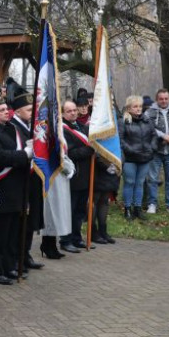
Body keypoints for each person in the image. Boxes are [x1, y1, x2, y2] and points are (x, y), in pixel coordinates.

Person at [0, 88, 33, 284]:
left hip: (17, 188)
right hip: (2, 188)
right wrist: (25, 155)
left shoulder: (11, 128)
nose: (7, 112)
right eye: (2, 109)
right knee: (0, 235)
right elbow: (0, 156)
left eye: (6, 108)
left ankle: (10, 265)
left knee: (13, 233)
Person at [9, 90, 45, 268]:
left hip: (33, 177)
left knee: (31, 219)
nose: (33, 113)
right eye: (29, 110)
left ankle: (26, 253)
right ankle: (17, 256)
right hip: (21, 178)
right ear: (17, 111)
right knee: (21, 220)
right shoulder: (13, 127)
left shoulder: (30, 125)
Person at [61, 101, 94, 251]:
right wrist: (88, 150)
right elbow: (70, 153)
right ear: (62, 113)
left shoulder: (82, 127)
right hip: (73, 177)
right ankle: (65, 240)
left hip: (85, 176)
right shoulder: (62, 130)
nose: (73, 113)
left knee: (80, 210)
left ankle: (76, 237)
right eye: (69, 111)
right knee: (70, 210)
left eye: (74, 110)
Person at [119, 96, 156, 219]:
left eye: (140, 106)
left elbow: (154, 135)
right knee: (129, 182)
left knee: (140, 183)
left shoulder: (147, 120)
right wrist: (132, 150)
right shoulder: (123, 121)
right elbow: (121, 140)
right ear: (129, 108)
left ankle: (138, 208)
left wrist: (151, 148)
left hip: (145, 157)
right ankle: (128, 209)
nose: (138, 109)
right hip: (130, 158)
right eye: (135, 106)